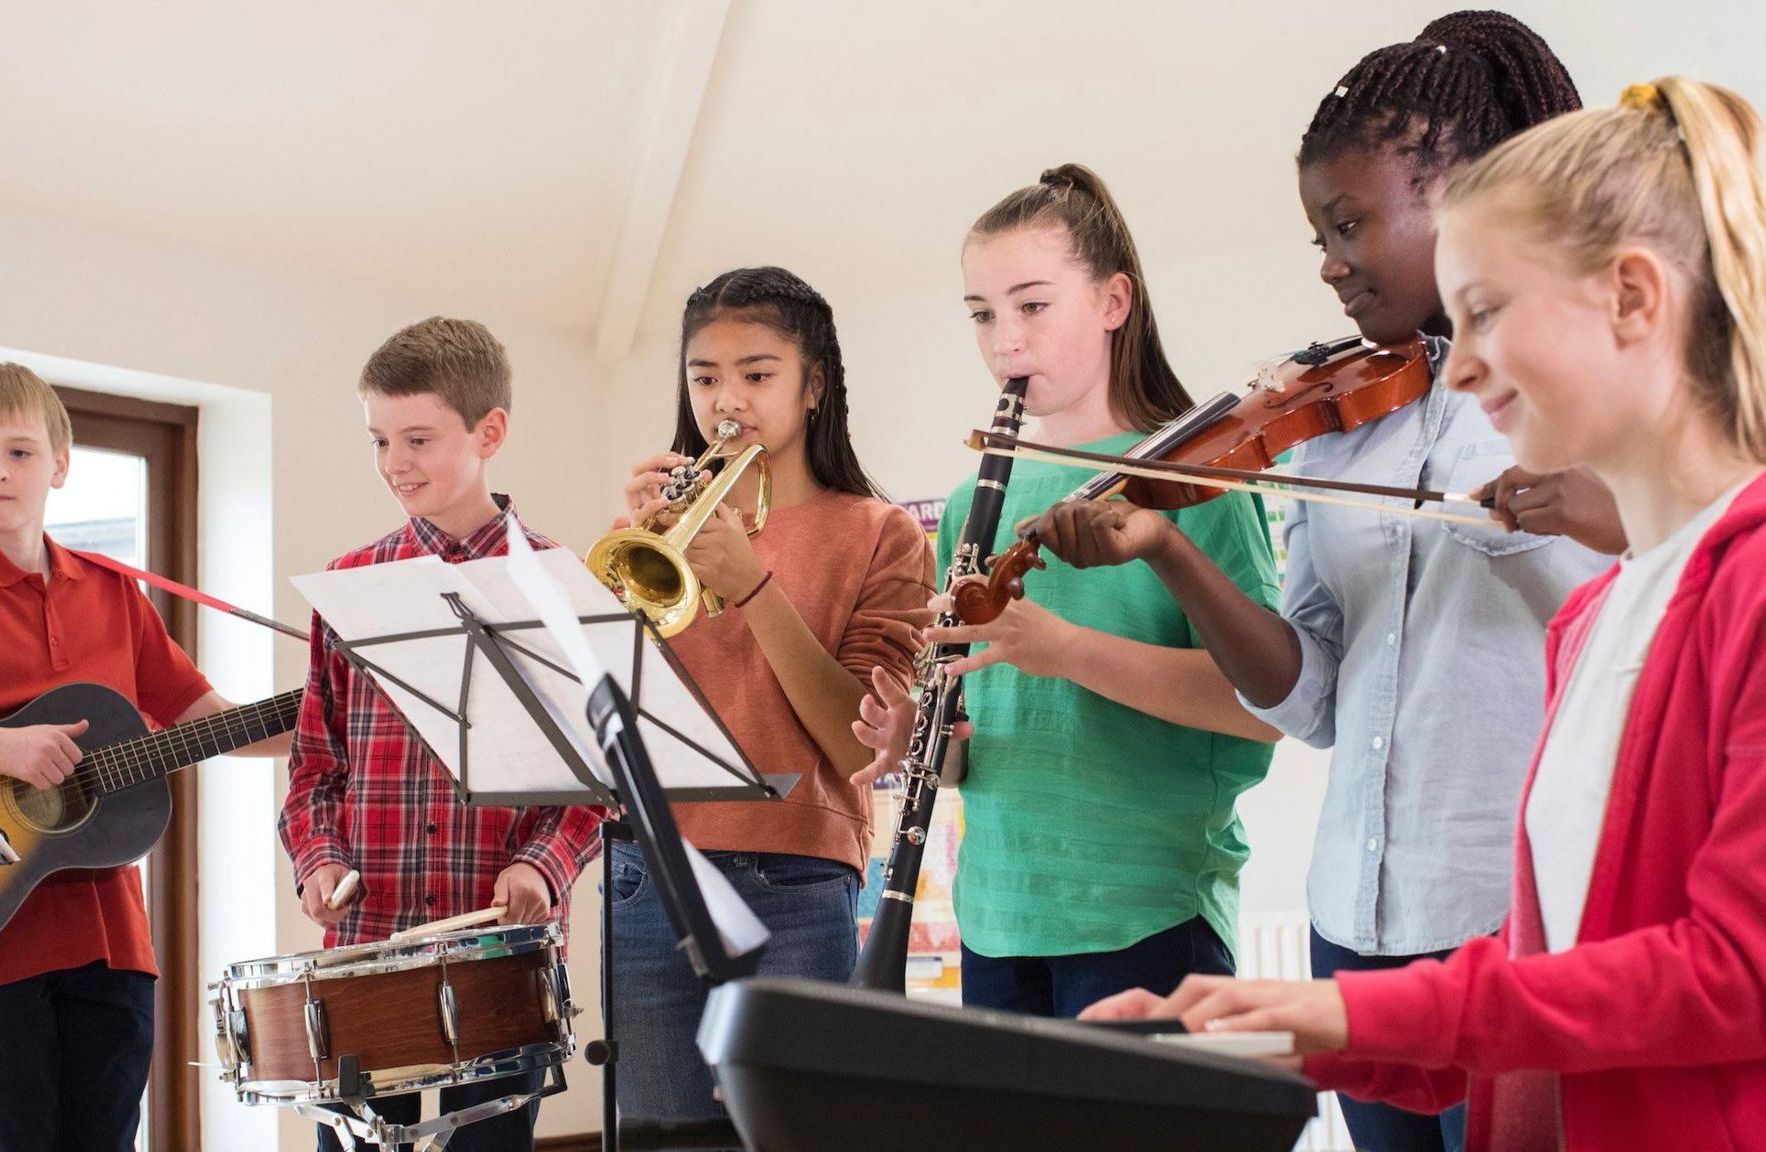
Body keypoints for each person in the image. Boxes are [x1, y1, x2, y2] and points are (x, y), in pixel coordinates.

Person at [1085, 76, 1766, 1152]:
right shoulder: (1598, 617)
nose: (1455, 366)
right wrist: (1264, 1037)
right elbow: (1548, 973)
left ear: (1633, 298)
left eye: (1486, 314)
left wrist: (1343, 1009)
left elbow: (1735, 977)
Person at [855, 163, 1282, 1021]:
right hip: (998, 920)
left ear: (1114, 302)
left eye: (1033, 305)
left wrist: (1069, 653)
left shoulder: (1195, 483)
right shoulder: (974, 504)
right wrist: (918, 743)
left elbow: (1263, 705)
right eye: (983, 315)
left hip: (1147, 917)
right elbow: (979, 746)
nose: (1004, 340)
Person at [0, 362, 287, 1152]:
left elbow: (208, 718)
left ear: (61, 465)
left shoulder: (111, 592)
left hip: (114, 938)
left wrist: (334, 722)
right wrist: (0, 746)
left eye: (21, 452)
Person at [606, 267, 934, 1123]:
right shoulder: (645, 534)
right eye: (705, 377)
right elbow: (598, 702)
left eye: (757, 375)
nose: (728, 401)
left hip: (795, 876)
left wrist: (752, 585)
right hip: (648, 874)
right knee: (657, 1139)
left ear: (813, 384)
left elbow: (861, 746)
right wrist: (629, 550)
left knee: (803, 1134)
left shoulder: (880, 532)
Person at [278, 317, 604, 1152]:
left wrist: (545, 862)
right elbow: (316, 765)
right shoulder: (348, 585)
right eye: (380, 440)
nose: (394, 463)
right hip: (367, 951)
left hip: (501, 959)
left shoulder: (559, 586)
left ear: (489, 432)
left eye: (417, 438)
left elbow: (599, 776)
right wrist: (319, 861)